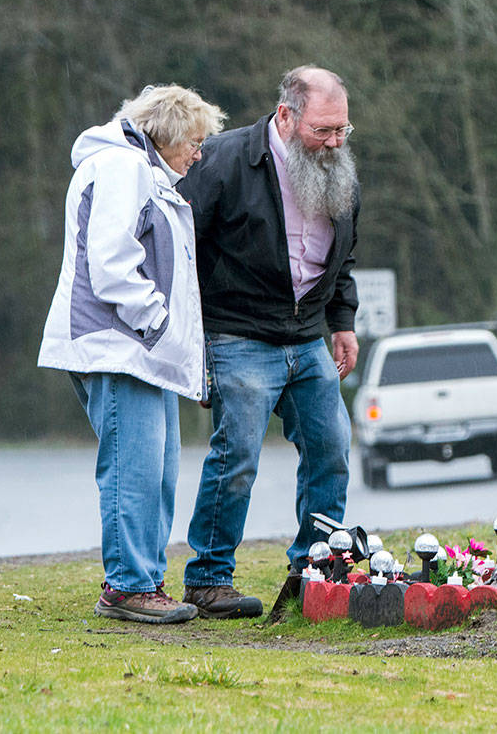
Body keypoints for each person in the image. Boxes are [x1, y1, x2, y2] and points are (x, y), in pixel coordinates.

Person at [38, 84, 227, 623]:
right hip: (118, 347)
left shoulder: (143, 172)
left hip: (140, 352)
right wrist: (159, 324)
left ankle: (144, 579)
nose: (198, 153)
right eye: (194, 141)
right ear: (164, 135)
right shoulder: (123, 168)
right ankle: (127, 586)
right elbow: (114, 261)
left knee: (158, 468)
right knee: (134, 469)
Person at [178, 66, 360, 620]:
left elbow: (342, 255)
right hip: (238, 334)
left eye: (342, 131)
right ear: (285, 115)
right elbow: (178, 249)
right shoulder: (223, 161)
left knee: (331, 450)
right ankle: (208, 578)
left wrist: (343, 320)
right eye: (322, 130)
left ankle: (314, 570)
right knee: (237, 460)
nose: (333, 142)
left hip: (307, 338)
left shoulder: (342, 169)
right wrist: (195, 342)